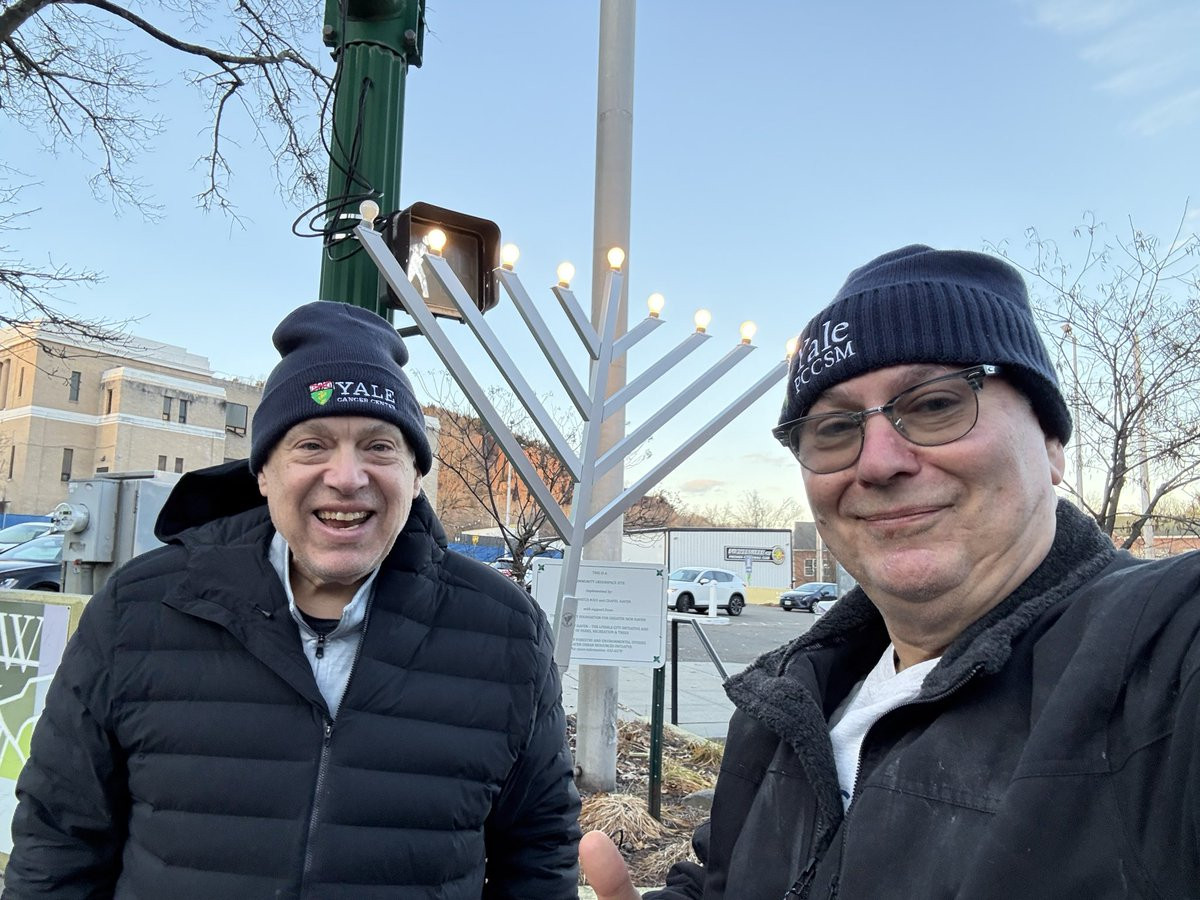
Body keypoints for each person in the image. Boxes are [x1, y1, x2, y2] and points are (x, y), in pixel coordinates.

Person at [580, 245, 1200, 898]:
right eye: (833, 428)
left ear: (1051, 445)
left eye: (935, 405)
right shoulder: (787, 703)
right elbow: (724, 881)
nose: (878, 463)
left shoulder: (1163, 656)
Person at [5, 301, 581, 898]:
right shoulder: (138, 611)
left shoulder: (505, 632)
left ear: (415, 476)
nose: (347, 477)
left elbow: (538, 850)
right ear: (262, 472)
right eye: (312, 444)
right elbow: (59, 838)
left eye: (380, 446)